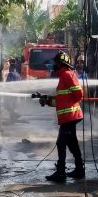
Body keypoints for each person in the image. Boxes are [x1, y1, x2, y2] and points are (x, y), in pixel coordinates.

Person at [39, 51, 85, 183]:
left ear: (61, 63)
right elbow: (61, 100)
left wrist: (70, 103)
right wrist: (47, 101)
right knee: (72, 143)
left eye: (56, 63)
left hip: (70, 115)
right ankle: (79, 169)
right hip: (69, 116)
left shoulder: (66, 75)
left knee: (61, 142)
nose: (54, 65)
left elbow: (79, 94)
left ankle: (61, 172)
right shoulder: (64, 76)